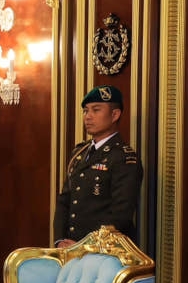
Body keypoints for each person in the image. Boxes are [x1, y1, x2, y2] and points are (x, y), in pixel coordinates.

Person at [53, 85, 143, 247]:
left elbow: (120, 215)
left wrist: (85, 246)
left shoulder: (123, 157)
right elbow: (64, 201)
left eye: (96, 110)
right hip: (70, 248)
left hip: (105, 251)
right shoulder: (79, 152)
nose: (88, 116)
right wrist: (60, 240)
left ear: (115, 114)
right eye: (86, 111)